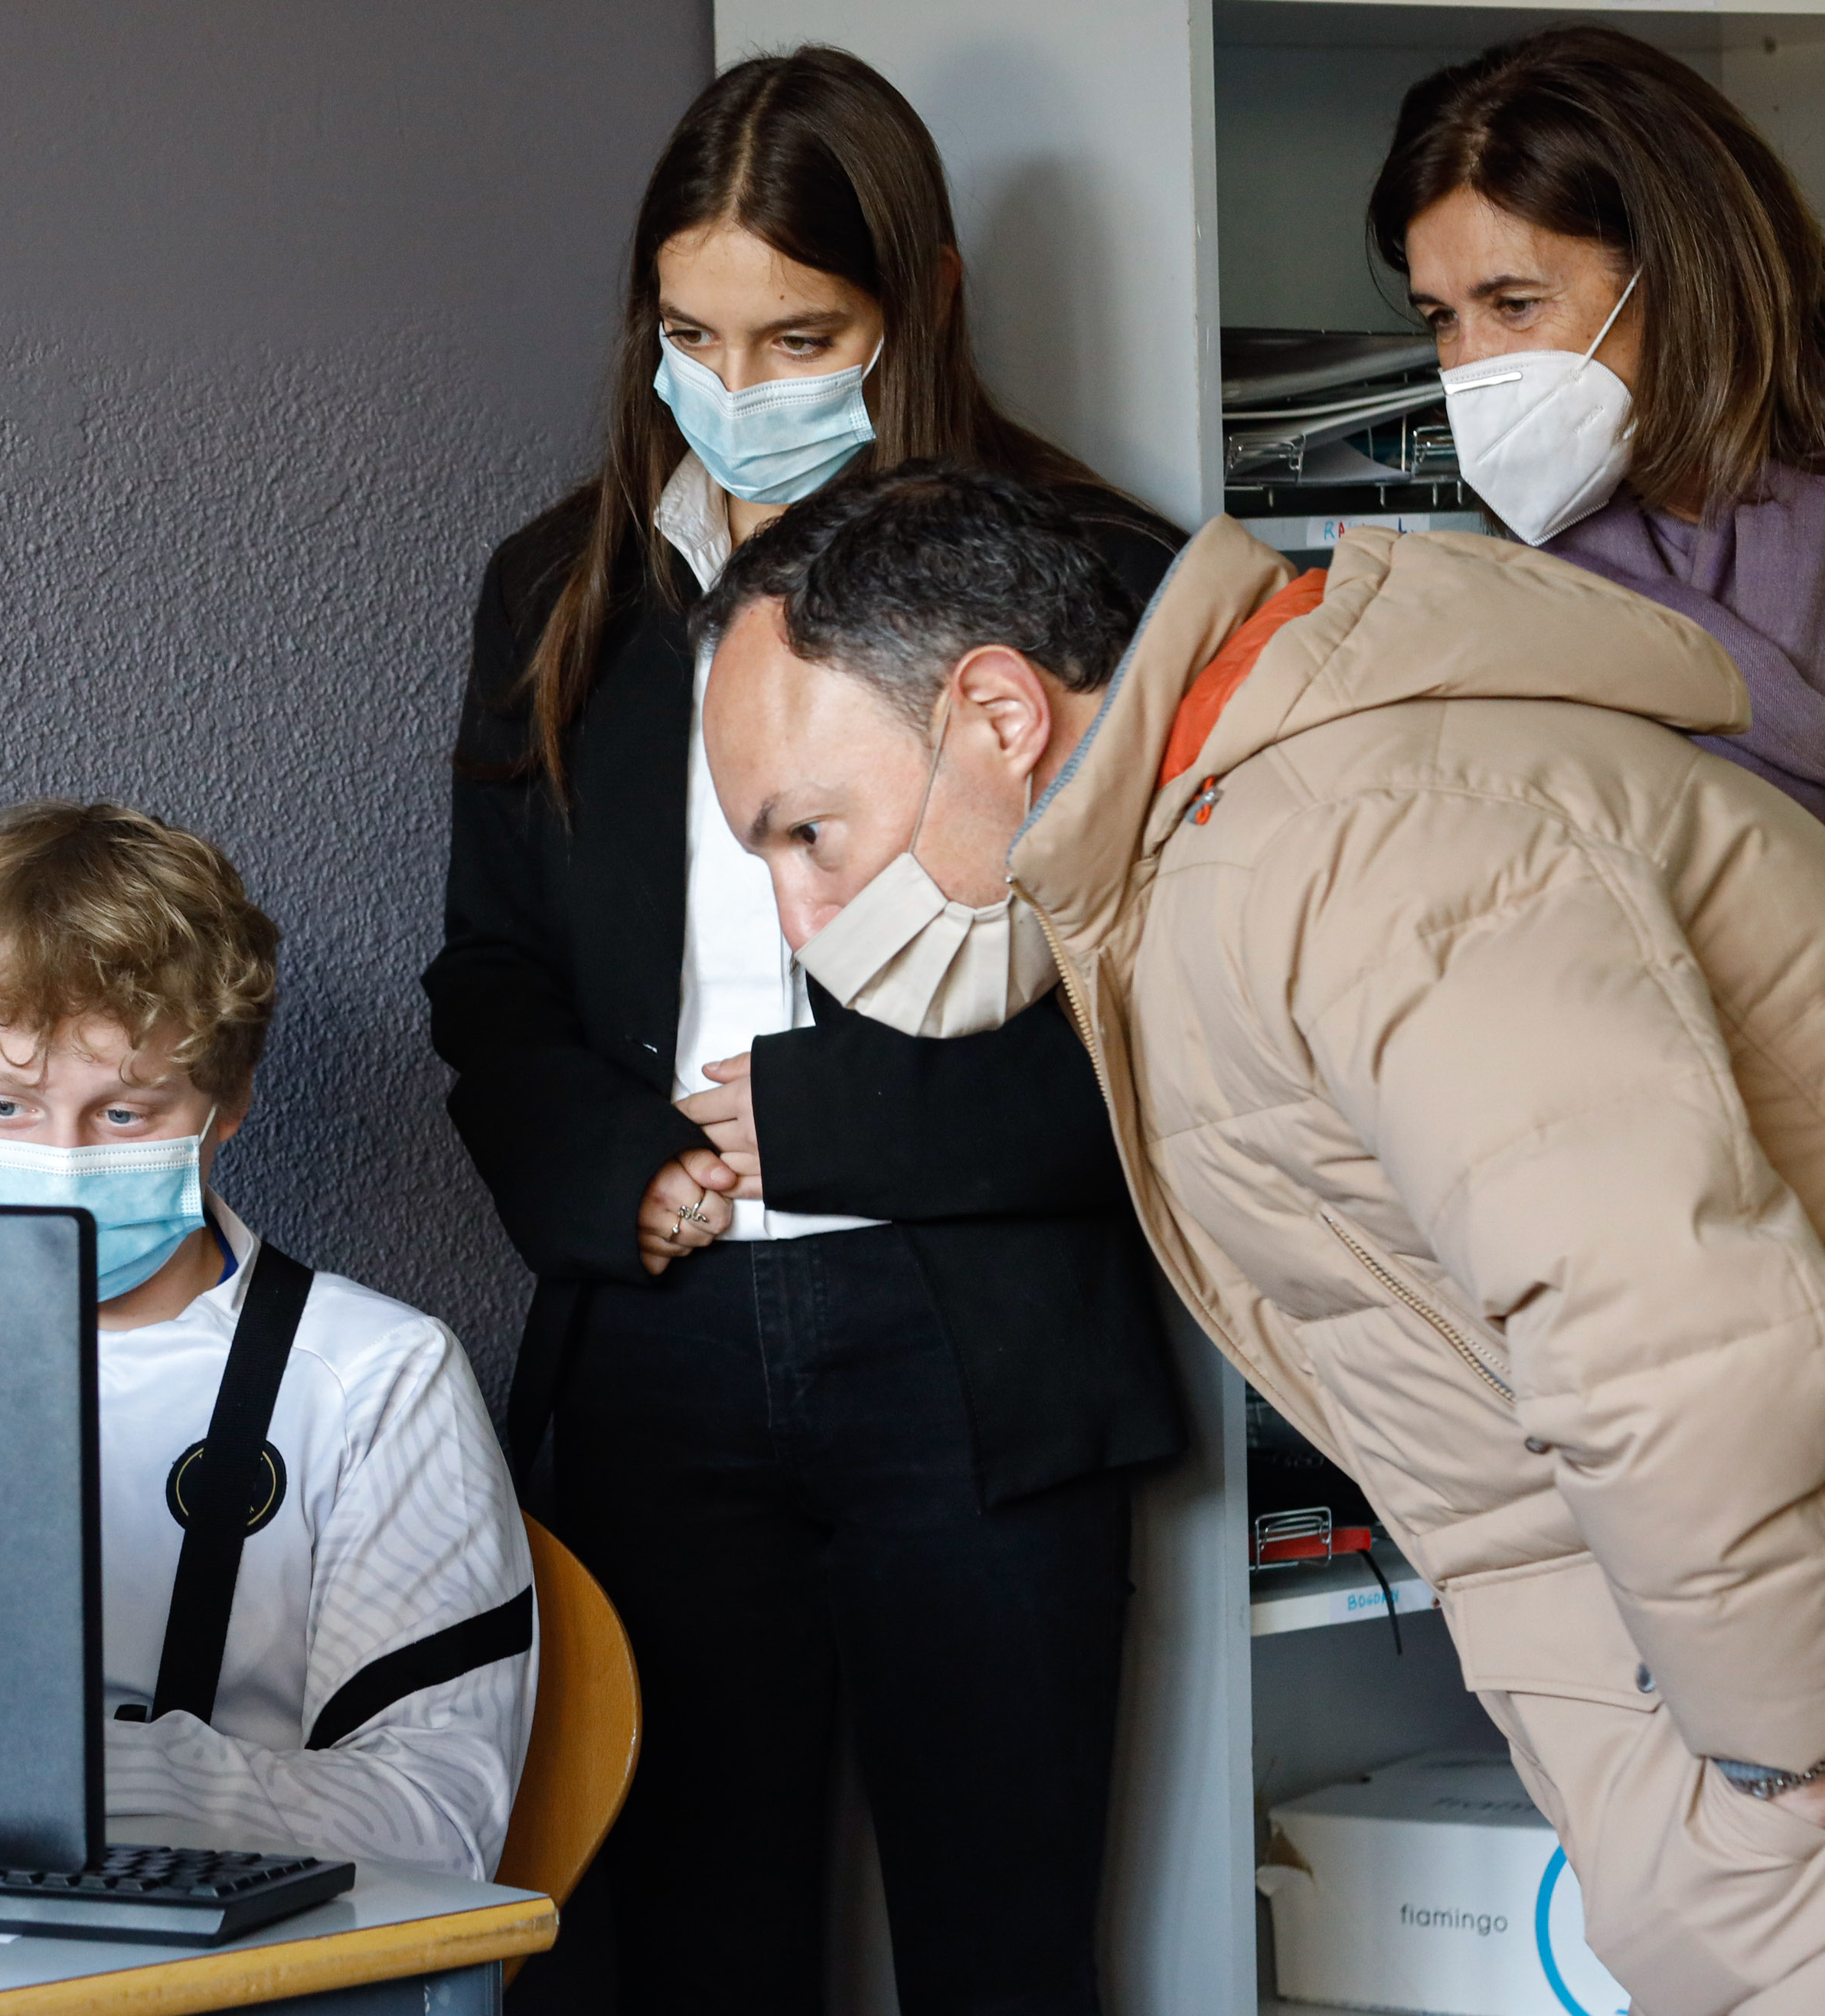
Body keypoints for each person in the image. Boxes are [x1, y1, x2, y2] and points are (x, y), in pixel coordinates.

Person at [700, 462, 1825, 2014]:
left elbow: (1671, 1338)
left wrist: (1775, 1755)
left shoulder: (1355, 845)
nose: (802, 922)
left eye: (810, 833)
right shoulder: (1211, 856)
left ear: (999, 715)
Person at [423, 44, 1184, 2014]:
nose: (740, 386)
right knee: (672, 1951)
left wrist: (833, 1123)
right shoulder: (557, 592)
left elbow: (1175, 1005)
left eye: (800, 334)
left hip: (979, 1355)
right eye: (692, 333)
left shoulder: (1105, 581)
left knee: (1003, 1953)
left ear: (917, 305)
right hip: (655, 1352)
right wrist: (613, 1174)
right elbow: (487, 979)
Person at [0, 799, 534, 1881]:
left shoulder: (376, 1379)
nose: (59, 1161)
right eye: (5, 1107)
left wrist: (71, 1776)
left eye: (123, 1114)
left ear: (225, 1105)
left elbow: (439, 1819)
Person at [1374, 22, 1825, 819]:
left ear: (1686, 278)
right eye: (1441, 318)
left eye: (1514, 305)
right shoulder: (1521, 591)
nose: (1470, 366)